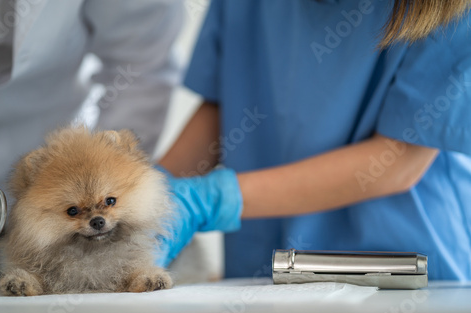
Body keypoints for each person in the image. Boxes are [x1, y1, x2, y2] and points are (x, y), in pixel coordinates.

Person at [157, 0, 471, 281]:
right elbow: (225, 102)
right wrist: (148, 195)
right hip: (259, 272)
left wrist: (210, 199)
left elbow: (398, 159)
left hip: (398, 267)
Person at [0, 0, 183, 275]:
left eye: (109, 201)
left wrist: (109, 160)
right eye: (74, 211)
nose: (96, 218)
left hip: (50, 123)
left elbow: (141, 59)